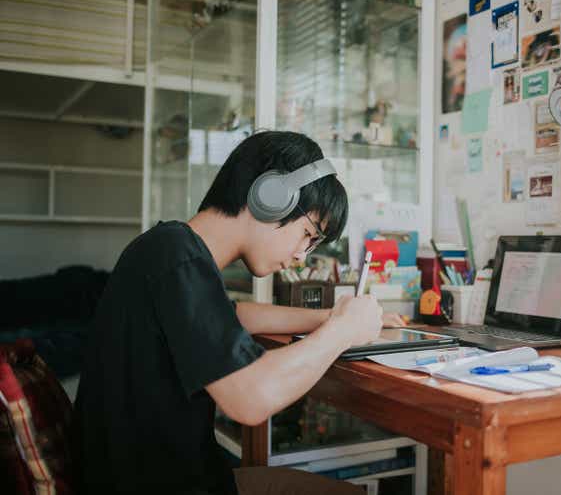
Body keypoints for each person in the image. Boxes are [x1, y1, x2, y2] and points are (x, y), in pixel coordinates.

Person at [73, 130, 405, 495]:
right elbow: (251, 398)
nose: (301, 255)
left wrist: (328, 317)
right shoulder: (177, 257)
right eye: (308, 234)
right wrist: (341, 332)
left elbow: (234, 315)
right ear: (271, 197)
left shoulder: (170, 249)